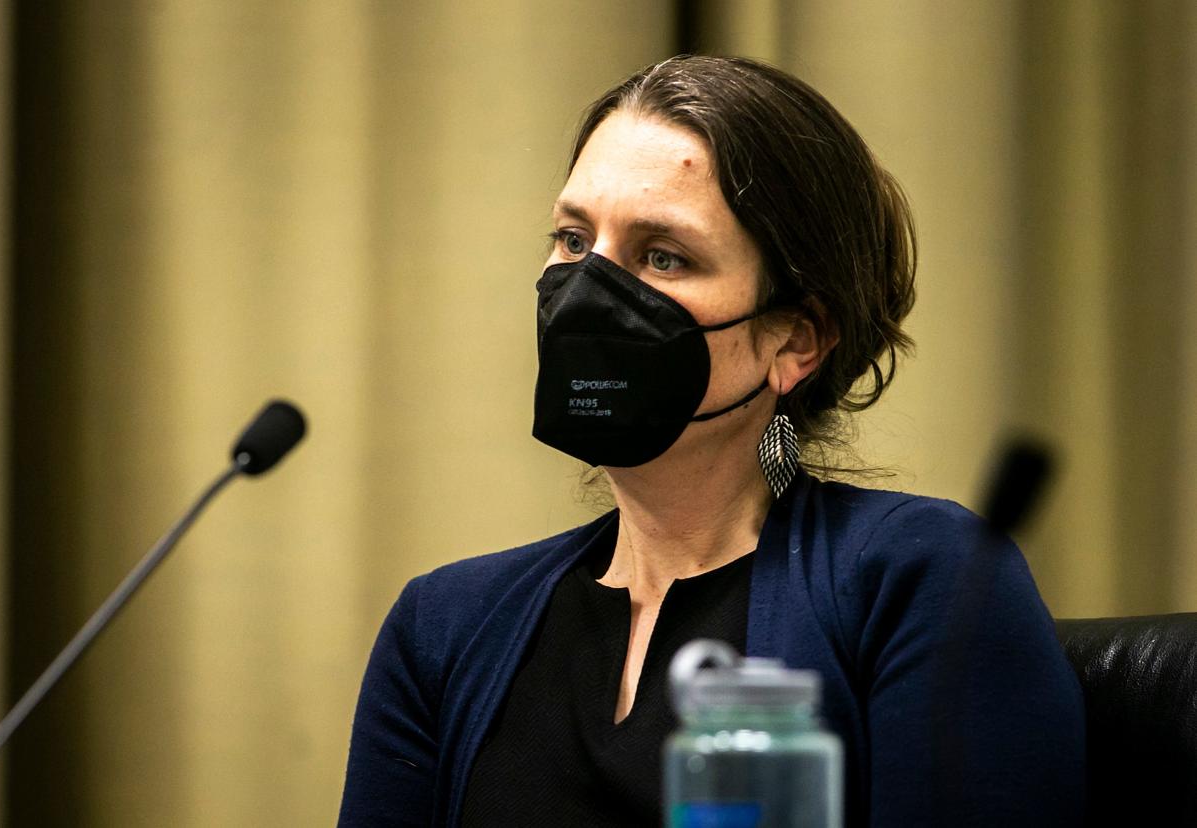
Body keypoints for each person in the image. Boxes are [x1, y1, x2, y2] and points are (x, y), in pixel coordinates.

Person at [337, 55, 1085, 827]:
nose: (586, 292)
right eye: (571, 239)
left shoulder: (917, 578)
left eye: (663, 256)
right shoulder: (446, 625)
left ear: (796, 341)